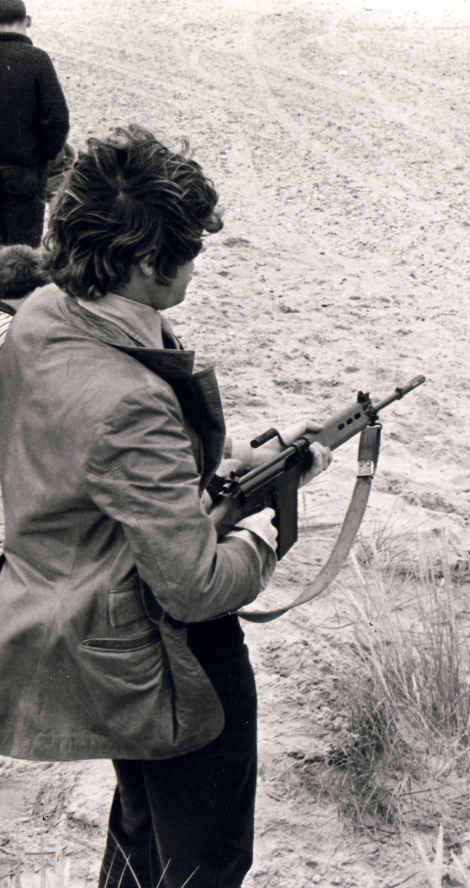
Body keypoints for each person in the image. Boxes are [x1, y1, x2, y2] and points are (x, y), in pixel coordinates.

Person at [0, 126, 331, 887]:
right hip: (163, 649)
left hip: (80, 621)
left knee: (144, 831)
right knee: (204, 861)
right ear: (149, 261)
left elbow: (94, 466)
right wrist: (266, 523)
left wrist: (218, 471)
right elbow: (197, 585)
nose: (198, 260)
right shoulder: (130, 399)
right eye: (190, 247)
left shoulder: (46, 316)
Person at [0, 0, 69, 246]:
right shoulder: (38, 60)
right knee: (21, 258)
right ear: (27, 21)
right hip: (25, 176)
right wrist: (42, 158)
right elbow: (58, 120)